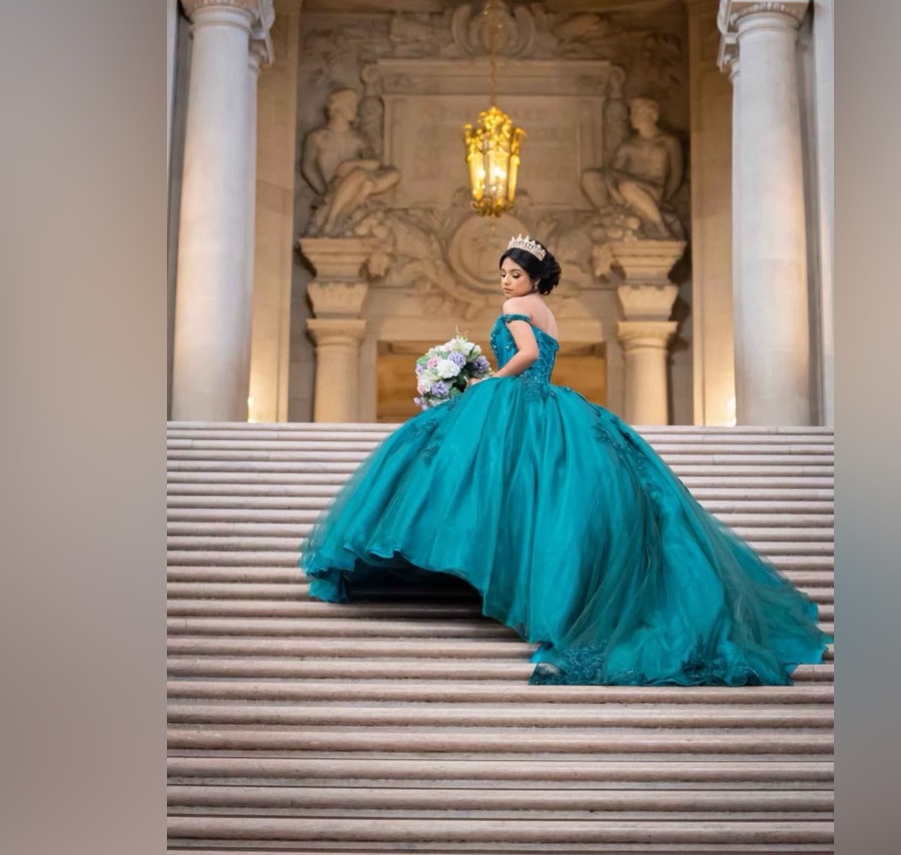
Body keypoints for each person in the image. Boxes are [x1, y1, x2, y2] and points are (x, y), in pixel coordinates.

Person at [300, 234, 830, 686]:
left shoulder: (514, 309)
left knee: (466, 477)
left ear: (531, 276)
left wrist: (487, 380)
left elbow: (527, 355)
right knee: (531, 494)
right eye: (503, 274)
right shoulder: (546, 309)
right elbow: (541, 351)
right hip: (552, 404)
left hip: (516, 400)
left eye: (513, 273)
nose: (506, 281)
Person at [580, 96, 685, 239]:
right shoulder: (629, 145)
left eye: (639, 112)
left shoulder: (669, 142)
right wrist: (613, 191)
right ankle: (609, 213)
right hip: (627, 187)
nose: (633, 117)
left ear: (653, 115)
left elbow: (676, 174)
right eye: (632, 112)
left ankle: (662, 227)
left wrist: (666, 199)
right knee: (589, 176)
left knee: (627, 187)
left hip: (654, 188)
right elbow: (614, 173)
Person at [301, 88, 400, 236]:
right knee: (361, 176)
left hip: (358, 180)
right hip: (333, 184)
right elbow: (308, 167)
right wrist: (323, 191)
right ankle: (331, 221)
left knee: (391, 174)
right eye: (351, 105)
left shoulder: (358, 138)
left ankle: (342, 216)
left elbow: (375, 163)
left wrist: (350, 165)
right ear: (338, 107)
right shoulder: (317, 137)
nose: (355, 109)